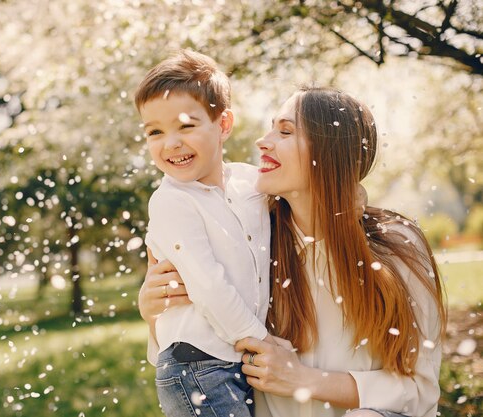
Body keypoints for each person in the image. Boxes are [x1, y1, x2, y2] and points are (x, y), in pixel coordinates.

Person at [139, 86, 447, 417]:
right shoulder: (253, 241)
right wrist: (153, 312)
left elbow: (418, 391)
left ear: (330, 153)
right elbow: (196, 350)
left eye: (285, 131)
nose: (262, 141)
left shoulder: (394, 245)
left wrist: (303, 380)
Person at [134, 49, 273, 417]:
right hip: (197, 368)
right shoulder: (171, 202)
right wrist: (262, 343)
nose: (171, 143)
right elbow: (208, 285)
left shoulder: (250, 183)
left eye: (186, 126)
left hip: (234, 360)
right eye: (155, 132)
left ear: (223, 124)